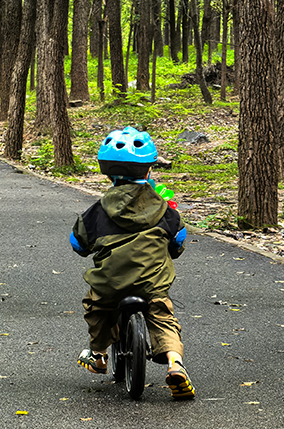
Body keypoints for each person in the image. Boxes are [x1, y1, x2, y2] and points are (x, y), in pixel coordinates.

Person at [69, 126, 194, 400]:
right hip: (152, 283)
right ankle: (176, 364)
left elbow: (78, 243)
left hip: (110, 283)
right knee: (162, 315)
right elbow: (179, 241)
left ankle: (99, 355)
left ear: (108, 173)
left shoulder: (97, 212)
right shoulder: (164, 209)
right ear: (149, 171)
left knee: (97, 307)